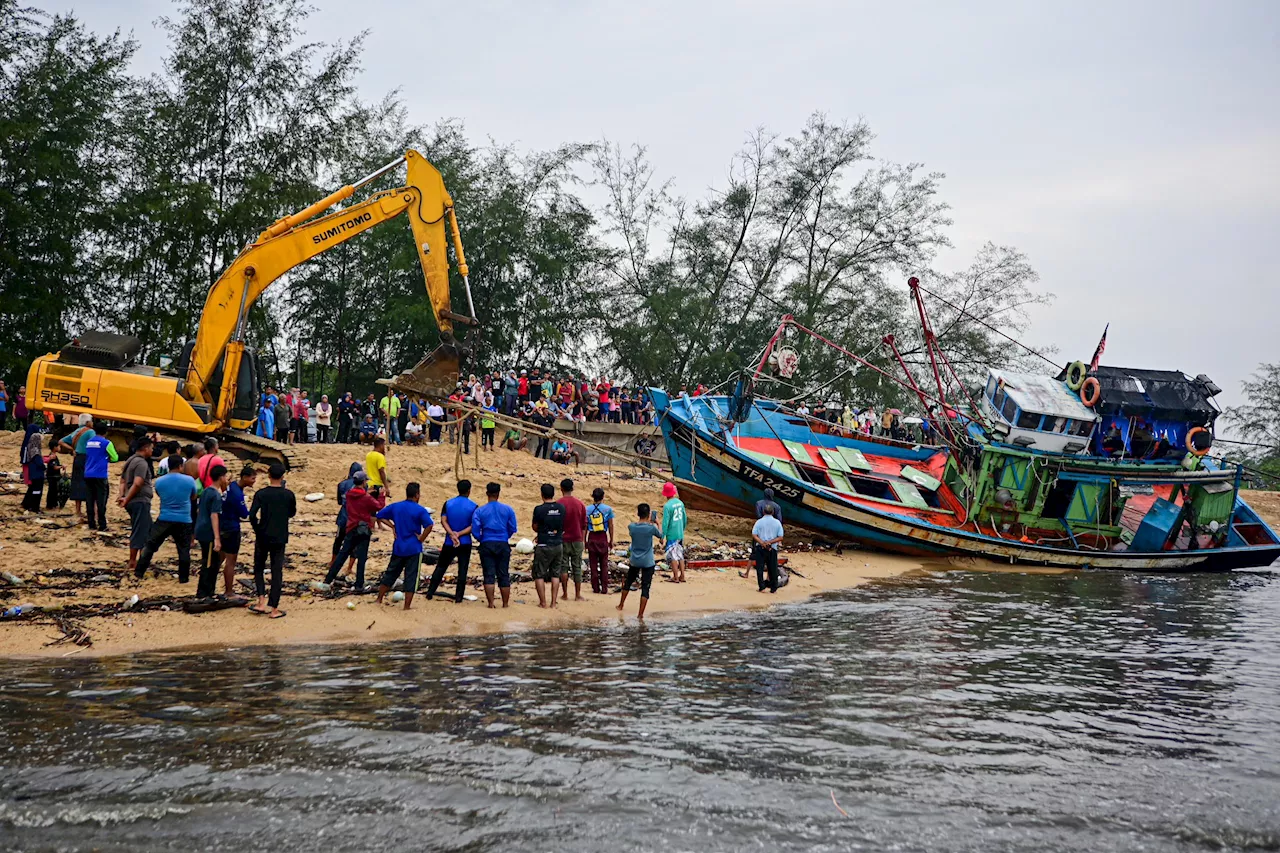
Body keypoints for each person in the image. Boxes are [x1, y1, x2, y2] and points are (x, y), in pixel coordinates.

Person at [135, 462, 198, 582]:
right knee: (184, 550)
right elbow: (194, 496)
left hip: (165, 518)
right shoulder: (189, 480)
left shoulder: (160, 481)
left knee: (150, 545)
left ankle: (139, 572)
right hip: (184, 519)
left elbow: (159, 494)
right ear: (180, 466)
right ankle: (183, 578)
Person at [375, 482, 434, 610]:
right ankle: (407, 606)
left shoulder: (396, 506)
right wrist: (422, 538)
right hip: (414, 547)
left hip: (399, 546)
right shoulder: (420, 510)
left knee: (391, 573)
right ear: (417, 495)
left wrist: (392, 526)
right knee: (411, 577)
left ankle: (379, 598)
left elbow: (379, 515)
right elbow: (429, 525)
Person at [324, 469, 385, 590]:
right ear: (363, 482)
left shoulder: (349, 494)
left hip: (351, 527)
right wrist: (381, 495)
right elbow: (378, 506)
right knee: (361, 557)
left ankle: (328, 579)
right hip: (363, 528)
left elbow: (359, 496)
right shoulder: (366, 497)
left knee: (343, 554)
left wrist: (367, 492)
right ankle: (359, 584)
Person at [248, 463, 295, 617]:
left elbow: (252, 515)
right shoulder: (288, 494)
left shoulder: (261, 494)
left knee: (259, 567)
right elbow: (291, 513)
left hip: (263, 534)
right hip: (280, 535)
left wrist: (258, 529)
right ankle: (274, 607)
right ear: (282, 477)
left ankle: (261, 600)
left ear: (268, 476)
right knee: (276, 571)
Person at [426, 479, 479, 602]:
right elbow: (473, 525)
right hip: (465, 541)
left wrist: (451, 533)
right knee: (462, 569)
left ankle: (430, 592)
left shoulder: (448, 503)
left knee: (441, 566)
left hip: (449, 541)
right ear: (469, 490)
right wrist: (459, 534)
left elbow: (443, 520)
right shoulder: (474, 506)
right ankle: (459, 597)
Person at [472, 481, 518, 608]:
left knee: (489, 574)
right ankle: (505, 603)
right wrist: (505, 536)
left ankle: (491, 603)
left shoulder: (480, 510)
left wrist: (482, 538)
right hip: (502, 542)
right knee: (503, 574)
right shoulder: (508, 509)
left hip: (487, 542)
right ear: (498, 493)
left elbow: (475, 529)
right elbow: (513, 527)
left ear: (487, 493)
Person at [616, 503, 663, 620]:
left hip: (635, 560)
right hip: (648, 561)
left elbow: (637, 529)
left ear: (638, 514)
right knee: (645, 588)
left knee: (628, 582)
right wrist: (658, 523)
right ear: (648, 515)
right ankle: (640, 614)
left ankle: (621, 605)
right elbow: (661, 536)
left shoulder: (632, 527)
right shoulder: (651, 528)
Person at [215, 465, 255, 598]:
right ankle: (229, 591)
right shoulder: (237, 494)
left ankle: (209, 585)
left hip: (222, 525)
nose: (254, 481)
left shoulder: (231, 486)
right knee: (230, 562)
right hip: (231, 528)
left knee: (219, 559)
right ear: (244, 477)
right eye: (252, 478)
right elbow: (244, 514)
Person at [117, 437, 155, 572]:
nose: (152, 450)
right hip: (139, 501)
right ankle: (133, 561)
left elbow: (122, 481)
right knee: (140, 531)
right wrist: (126, 498)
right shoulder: (141, 463)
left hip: (133, 500)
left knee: (148, 530)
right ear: (145, 448)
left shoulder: (130, 460)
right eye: (151, 448)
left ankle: (143, 559)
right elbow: (138, 483)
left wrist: (122, 496)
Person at [194, 463, 228, 598]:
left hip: (201, 528)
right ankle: (205, 592)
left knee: (209, 562)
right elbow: (214, 515)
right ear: (220, 478)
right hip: (208, 533)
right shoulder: (215, 495)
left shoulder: (206, 491)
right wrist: (217, 538)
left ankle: (206, 591)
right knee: (210, 564)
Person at [531, 482, 565, 608]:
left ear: (542, 494)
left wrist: (541, 532)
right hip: (558, 543)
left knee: (539, 574)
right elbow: (562, 525)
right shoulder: (561, 508)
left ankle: (543, 602)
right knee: (555, 574)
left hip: (544, 544)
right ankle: (553, 603)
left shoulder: (539, 509)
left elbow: (535, 526)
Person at [59, 414, 96, 524]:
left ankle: (78, 510)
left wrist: (72, 449)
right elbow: (94, 444)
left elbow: (61, 441)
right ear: (88, 422)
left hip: (77, 458)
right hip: (87, 459)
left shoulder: (76, 432)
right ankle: (91, 511)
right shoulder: (90, 432)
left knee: (77, 482)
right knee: (90, 483)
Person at [82, 430, 119, 532]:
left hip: (88, 473)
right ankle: (102, 524)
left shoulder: (89, 442)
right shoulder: (106, 443)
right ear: (105, 432)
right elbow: (115, 458)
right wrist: (107, 459)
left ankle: (91, 523)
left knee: (90, 499)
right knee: (101, 500)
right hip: (100, 474)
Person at [557, 478, 587, 601]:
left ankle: (565, 594)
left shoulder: (558, 504)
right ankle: (577, 594)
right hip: (577, 538)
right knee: (577, 567)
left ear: (561, 489)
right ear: (572, 489)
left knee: (563, 567)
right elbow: (584, 524)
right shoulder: (580, 504)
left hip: (563, 539)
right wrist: (583, 539)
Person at [584, 487, 615, 594]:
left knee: (593, 565)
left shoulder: (587, 510)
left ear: (593, 497)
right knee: (604, 564)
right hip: (603, 537)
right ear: (603, 497)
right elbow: (610, 525)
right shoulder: (608, 509)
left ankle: (595, 588)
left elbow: (585, 527)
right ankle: (605, 588)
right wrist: (611, 539)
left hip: (592, 537)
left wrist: (585, 541)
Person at [751, 504, 785, 593]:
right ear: (773, 512)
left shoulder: (759, 522)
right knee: (772, 568)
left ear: (763, 512)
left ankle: (762, 587)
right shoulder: (777, 522)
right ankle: (773, 588)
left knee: (760, 568)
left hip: (761, 548)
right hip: (772, 548)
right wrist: (770, 542)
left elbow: (754, 534)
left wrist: (762, 542)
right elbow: (780, 537)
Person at [660, 482, 687, 583]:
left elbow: (665, 523)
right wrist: (682, 528)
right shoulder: (680, 503)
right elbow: (684, 518)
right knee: (680, 554)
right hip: (680, 533)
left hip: (672, 534)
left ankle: (675, 577)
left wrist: (663, 536)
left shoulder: (667, 506)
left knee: (673, 556)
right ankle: (682, 575)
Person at [20, 424, 45, 512]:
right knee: (35, 489)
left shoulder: (29, 445)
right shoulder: (34, 450)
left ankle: (27, 503)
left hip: (31, 470)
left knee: (32, 488)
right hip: (35, 472)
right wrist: (43, 466)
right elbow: (36, 460)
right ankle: (33, 506)